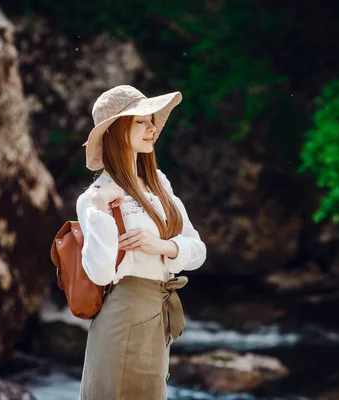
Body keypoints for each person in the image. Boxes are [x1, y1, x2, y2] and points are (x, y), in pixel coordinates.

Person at [76, 85, 207, 399]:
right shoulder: (94, 198)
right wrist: (100, 211)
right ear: (118, 131)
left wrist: (159, 246)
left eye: (152, 121)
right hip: (124, 313)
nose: (152, 129)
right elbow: (100, 274)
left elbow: (197, 250)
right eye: (141, 122)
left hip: (157, 313)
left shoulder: (159, 183)